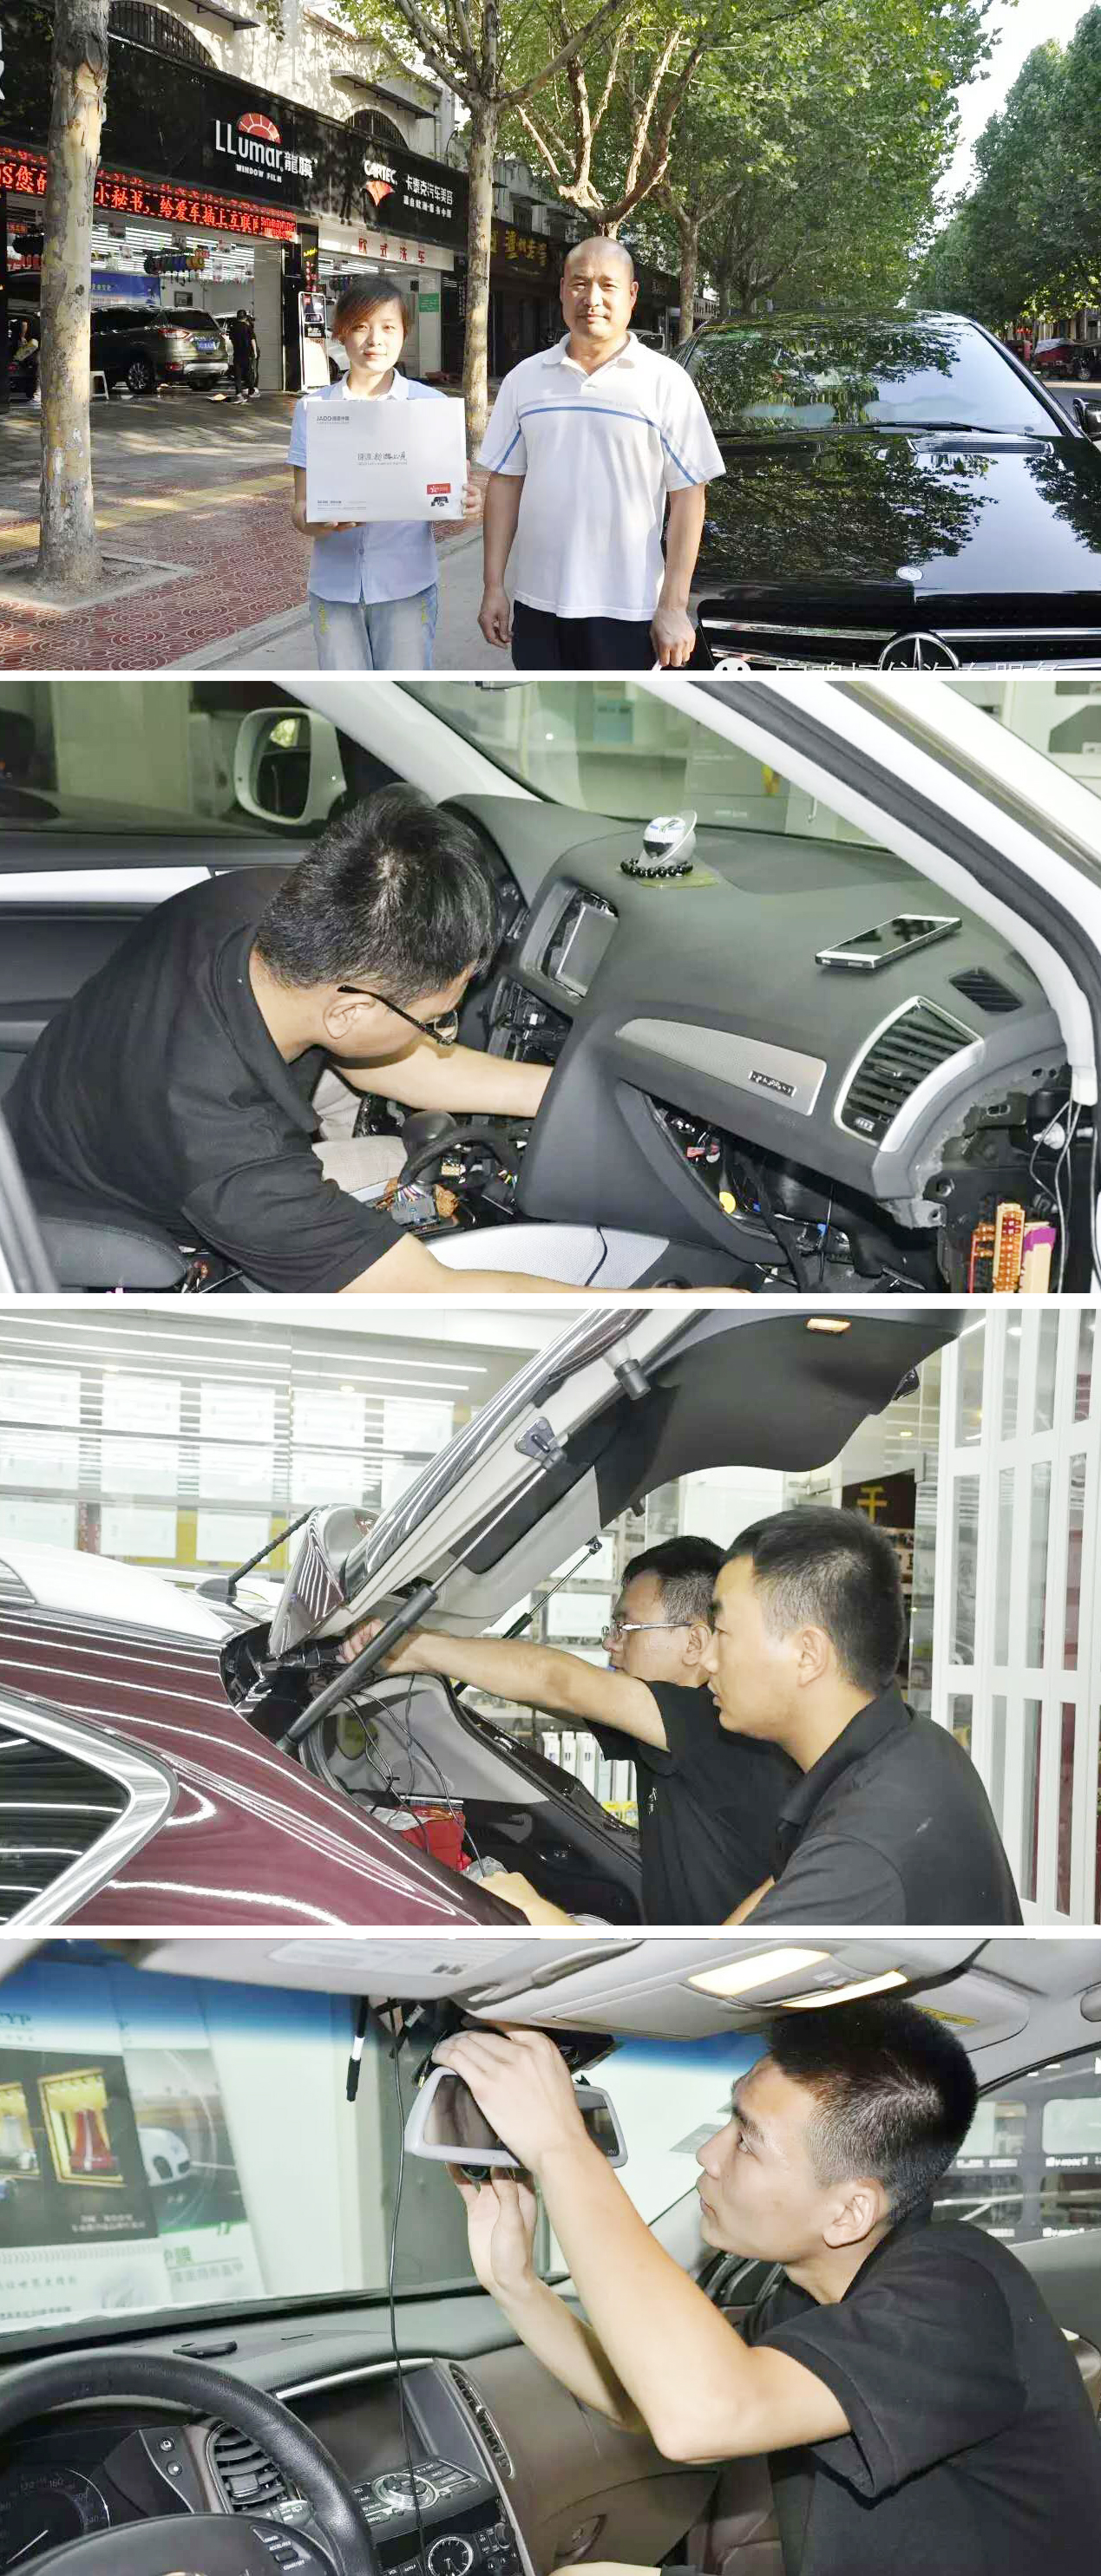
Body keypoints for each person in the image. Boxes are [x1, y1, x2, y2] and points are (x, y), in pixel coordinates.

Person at [436, 2003, 1101, 2576]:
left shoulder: (955, 2293)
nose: (708, 2154)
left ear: (848, 2213)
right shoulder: (807, 2297)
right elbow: (650, 2400)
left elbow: (704, 2417)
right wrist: (516, 2284)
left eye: (747, 2141)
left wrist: (562, 2148)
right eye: (728, 2121)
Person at [5, 786, 571, 1298]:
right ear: (349, 1012)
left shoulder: (258, 900)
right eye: (436, 1021)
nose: (441, 1032)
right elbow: (428, 1289)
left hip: (70, 1124)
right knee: (410, 1164)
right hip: (113, 1211)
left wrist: (567, 1097)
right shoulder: (233, 1159)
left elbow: (385, 1062)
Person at [343, 1538, 798, 1924]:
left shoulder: (707, 1721)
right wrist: (436, 1650)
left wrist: (414, 1647)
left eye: (626, 1626)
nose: (610, 1642)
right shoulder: (665, 1727)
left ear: (694, 1642)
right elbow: (555, 1697)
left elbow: (560, 1683)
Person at [700, 1507, 1022, 1924]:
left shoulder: (859, 1856)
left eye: (723, 1633)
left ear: (807, 1656)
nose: (708, 1660)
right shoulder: (912, 1739)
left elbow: (736, 1963)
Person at [477, 238, 724, 672]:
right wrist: (493, 586)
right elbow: (505, 485)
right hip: (538, 603)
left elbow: (689, 496)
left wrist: (673, 605)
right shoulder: (524, 380)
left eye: (608, 285)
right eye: (579, 284)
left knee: (616, 714)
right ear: (562, 291)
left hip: (627, 607)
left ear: (632, 295)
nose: (592, 299)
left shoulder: (666, 382)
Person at [288, 277, 482, 671]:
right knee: (348, 697)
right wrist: (317, 521)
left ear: (404, 333)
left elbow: (441, 499)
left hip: (406, 586)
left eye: (388, 327)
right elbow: (300, 509)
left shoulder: (430, 407)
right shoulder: (314, 410)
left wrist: (465, 501)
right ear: (341, 333)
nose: (375, 340)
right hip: (334, 590)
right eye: (361, 326)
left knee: (405, 692)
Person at [228, 308, 259, 400]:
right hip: (247, 354)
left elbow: (232, 340)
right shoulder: (248, 327)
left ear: (237, 317)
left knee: (238, 374)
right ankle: (251, 391)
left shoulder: (233, 327)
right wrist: (255, 352)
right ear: (245, 317)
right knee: (248, 373)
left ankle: (238, 393)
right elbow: (252, 340)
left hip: (237, 354)